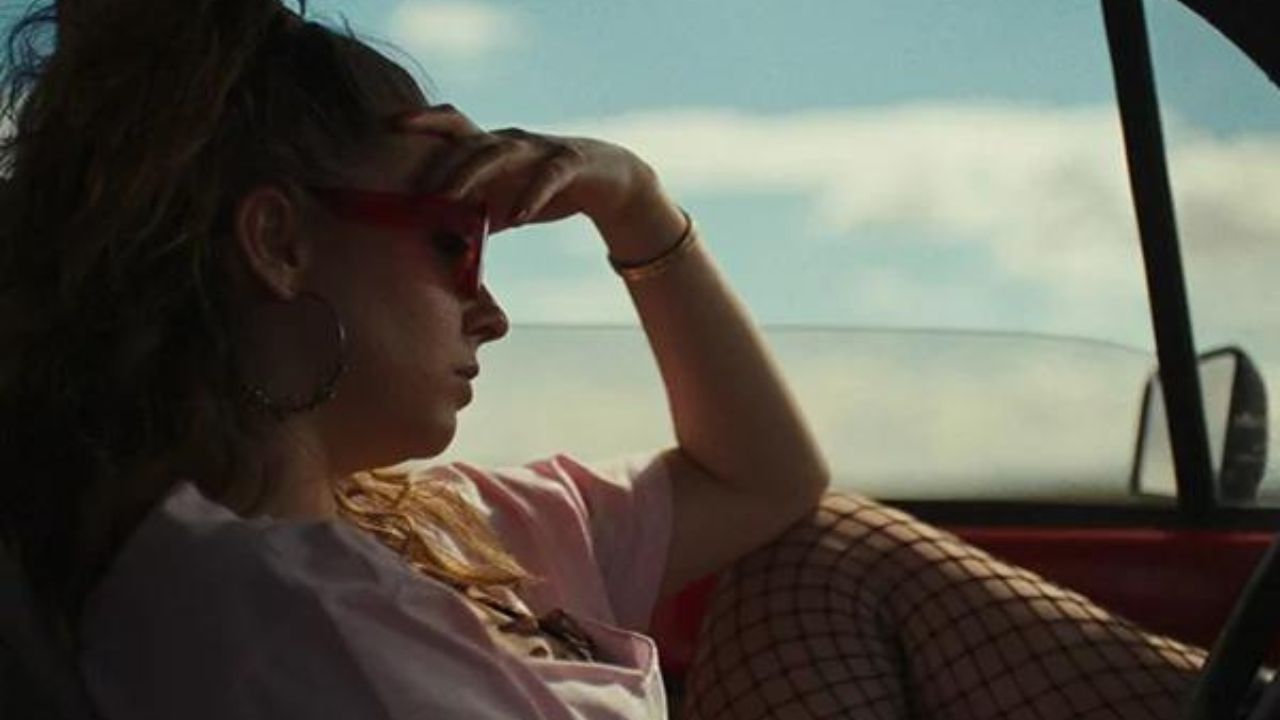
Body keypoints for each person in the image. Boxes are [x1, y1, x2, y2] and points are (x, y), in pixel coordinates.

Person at [0, 1, 1209, 718]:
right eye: (454, 240)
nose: (490, 314)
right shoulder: (288, 627)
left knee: (816, 558)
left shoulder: (419, 527)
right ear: (277, 243)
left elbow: (765, 485)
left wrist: (636, 206)